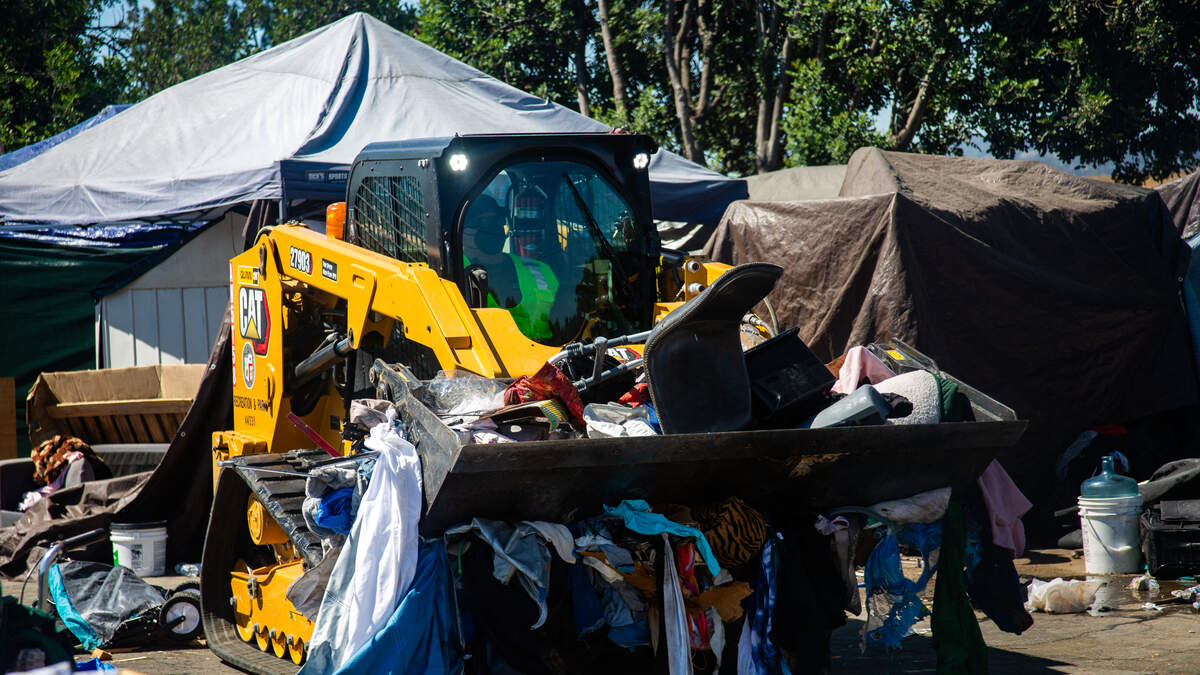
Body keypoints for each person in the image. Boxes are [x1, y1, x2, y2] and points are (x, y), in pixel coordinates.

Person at [462, 195, 560, 342]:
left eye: (496, 221)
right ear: (462, 231)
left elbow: (561, 320)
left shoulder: (540, 270)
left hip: (550, 358)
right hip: (489, 361)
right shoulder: (451, 272)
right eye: (482, 222)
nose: (492, 228)